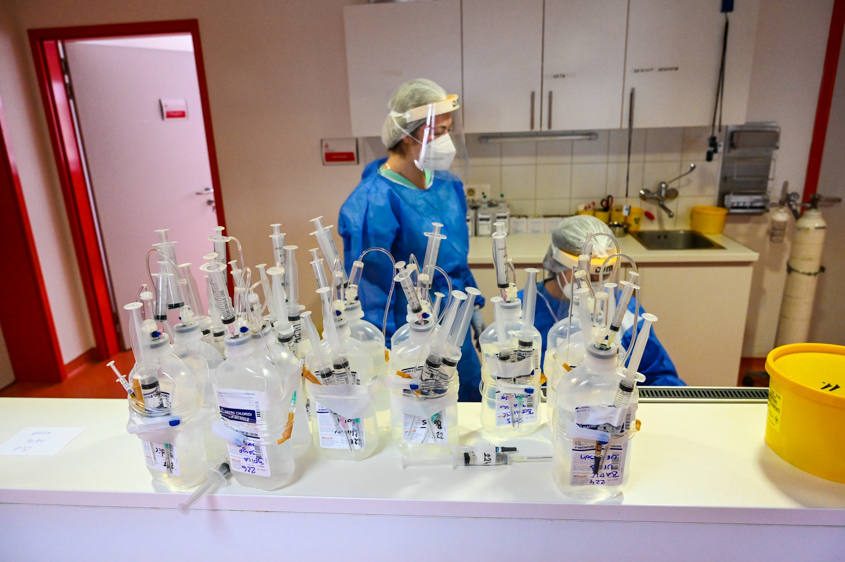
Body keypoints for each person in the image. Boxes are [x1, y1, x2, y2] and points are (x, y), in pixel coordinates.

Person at [339, 79, 484, 401]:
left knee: (467, 399)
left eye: (448, 130)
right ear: (407, 135)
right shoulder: (372, 202)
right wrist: (386, 350)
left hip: (454, 322)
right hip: (409, 333)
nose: (446, 141)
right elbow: (373, 291)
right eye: (438, 132)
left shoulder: (447, 185)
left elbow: (454, 260)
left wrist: (472, 305)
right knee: (423, 409)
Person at [520, 215, 685, 386]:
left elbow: (659, 377)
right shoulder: (523, 310)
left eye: (603, 276)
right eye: (585, 275)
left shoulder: (625, 313)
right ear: (555, 263)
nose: (594, 284)